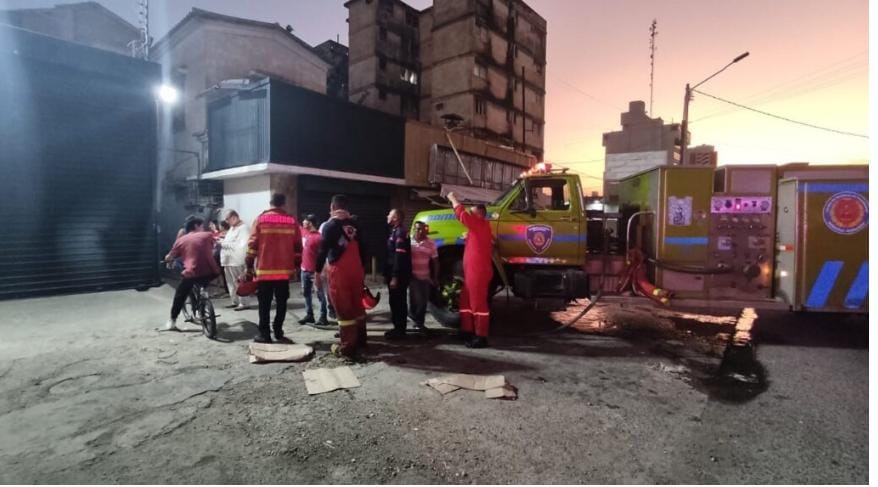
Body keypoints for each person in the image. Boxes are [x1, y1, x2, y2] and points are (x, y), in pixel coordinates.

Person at [245, 193, 302, 344]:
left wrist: (249, 267)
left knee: (264, 305)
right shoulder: (291, 220)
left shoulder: (260, 219)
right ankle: (278, 331)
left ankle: (265, 335)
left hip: (264, 272)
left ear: (270, 203)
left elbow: (252, 246)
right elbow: (298, 247)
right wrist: (296, 267)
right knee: (282, 303)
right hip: (284, 273)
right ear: (283, 204)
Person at [316, 194, 367, 357]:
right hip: (356, 270)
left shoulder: (330, 226)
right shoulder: (356, 224)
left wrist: (317, 272)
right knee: (357, 305)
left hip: (339, 272)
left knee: (343, 308)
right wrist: (362, 269)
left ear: (332, 207)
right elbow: (364, 248)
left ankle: (348, 346)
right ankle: (361, 340)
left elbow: (322, 250)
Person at [446, 192, 494, 348]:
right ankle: (466, 331)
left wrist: (453, 198)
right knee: (466, 302)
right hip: (472, 272)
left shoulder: (478, 223)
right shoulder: (480, 226)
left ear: (479, 214)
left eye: (472, 213)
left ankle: (481, 336)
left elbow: (461, 214)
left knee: (478, 304)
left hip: (478, 272)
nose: (470, 216)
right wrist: (469, 236)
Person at [163, 217, 221, 331]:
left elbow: (169, 256)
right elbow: (216, 243)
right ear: (196, 226)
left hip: (192, 272)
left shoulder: (181, 240)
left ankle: (172, 320)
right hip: (211, 271)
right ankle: (203, 296)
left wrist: (168, 262)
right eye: (202, 226)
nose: (203, 228)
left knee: (180, 295)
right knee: (203, 283)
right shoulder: (208, 235)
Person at [384, 208, 411, 339]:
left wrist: (395, 276)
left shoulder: (400, 232)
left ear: (396, 218)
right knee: (395, 301)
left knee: (398, 301)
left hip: (399, 275)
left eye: (390, 214)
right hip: (396, 274)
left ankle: (400, 330)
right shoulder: (396, 231)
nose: (387, 216)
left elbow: (399, 257)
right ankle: (398, 328)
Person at [219, 209, 253, 311]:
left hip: (236, 260)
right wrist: (222, 241)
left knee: (239, 283)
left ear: (234, 217)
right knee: (231, 283)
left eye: (227, 219)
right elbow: (229, 241)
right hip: (228, 261)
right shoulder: (232, 228)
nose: (226, 222)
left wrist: (222, 243)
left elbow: (241, 246)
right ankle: (235, 301)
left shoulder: (243, 229)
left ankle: (244, 303)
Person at [299, 214, 329, 327]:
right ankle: (309, 315)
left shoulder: (319, 238)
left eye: (305, 221)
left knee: (320, 294)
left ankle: (323, 316)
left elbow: (323, 256)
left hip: (315, 271)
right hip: (304, 269)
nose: (303, 222)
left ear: (310, 223)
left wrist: (321, 272)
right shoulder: (304, 233)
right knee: (306, 293)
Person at [409, 220, 438, 334]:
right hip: (413, 276)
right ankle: (416, 322)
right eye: (416, 228)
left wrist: (435, 277)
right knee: (417, 299)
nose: (419, 231)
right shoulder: (409, 241)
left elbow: (435, 261)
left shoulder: (431, 243)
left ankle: (419, 323)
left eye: (421, 229)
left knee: (424, 301)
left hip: (426, 276)